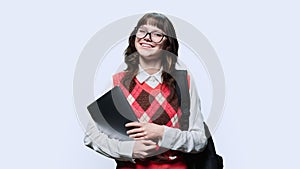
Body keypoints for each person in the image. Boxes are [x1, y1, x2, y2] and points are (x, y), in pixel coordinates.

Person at [84, 12, 207, 169]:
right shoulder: (118, 82)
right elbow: (91, 136)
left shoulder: (183, 82)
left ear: (167, 44)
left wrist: (162, 133)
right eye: (142, 31)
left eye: (157, 34)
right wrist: (129, 150)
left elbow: (199, 140)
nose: (147, 37)